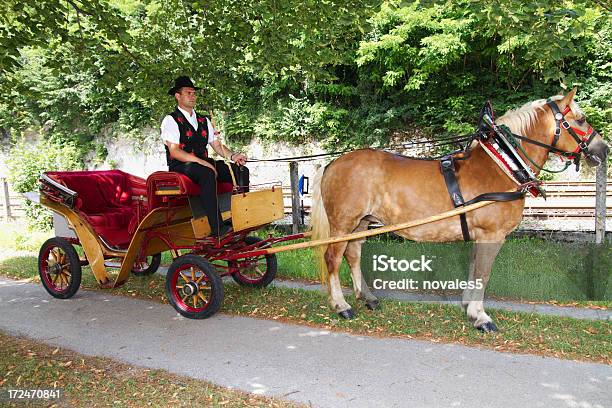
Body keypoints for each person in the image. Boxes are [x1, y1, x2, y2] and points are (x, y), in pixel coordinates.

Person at [160, 76, 249, 237]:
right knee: (207, 173)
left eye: (194, 93)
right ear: (178, 96)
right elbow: (174, 151)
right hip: (181, 165)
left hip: (203, 162)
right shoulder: (171, 120)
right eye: (188, 93)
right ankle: (217, 228)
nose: (193, 96)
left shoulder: (204, 119)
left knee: (241, 171)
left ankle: (239, 218)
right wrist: (202, 162)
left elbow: (216, 145)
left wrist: (234, 156)